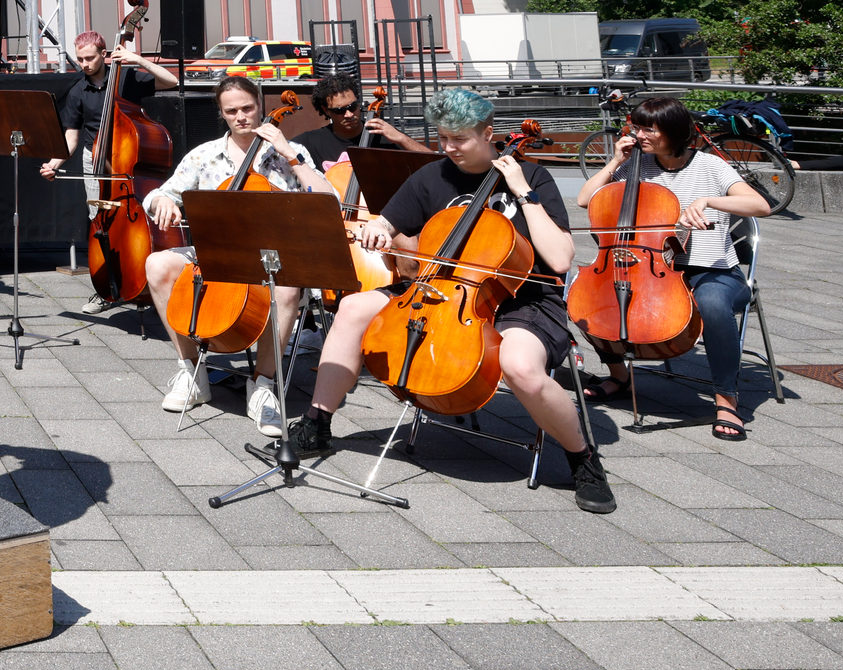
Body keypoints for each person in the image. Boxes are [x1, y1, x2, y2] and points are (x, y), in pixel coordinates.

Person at [287, 87, 615, 514]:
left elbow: (560, 259)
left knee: (520, 367)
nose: (448, 148)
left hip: (522, 299)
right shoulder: (433, 176)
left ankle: (582, 458)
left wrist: (522, 192)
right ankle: (317, 422)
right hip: (444, 289)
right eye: (442, 137)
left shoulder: (532, 177)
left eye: (459, 138)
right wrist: (379, 231)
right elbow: (389, 221)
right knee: (352, 308)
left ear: (487, 134)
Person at [137, 74, 334, 434]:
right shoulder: (204, 155)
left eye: (247, 108)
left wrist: (289, 155)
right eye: (232, 111)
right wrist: (162, 201)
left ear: (260, 105)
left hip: (274, 258)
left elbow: (329, 200)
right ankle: (190, 371)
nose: (241, 116)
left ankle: (263, 384)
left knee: (287, 288)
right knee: (157, 263)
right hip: (215, 255)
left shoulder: (291, 152)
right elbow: (158, 194)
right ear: (222, 113)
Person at [575, 94, 773, 442]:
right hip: (650, 268)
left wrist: (708, 201)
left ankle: (727, 399)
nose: (640, 136)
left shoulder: (709, 166)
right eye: (637, 128)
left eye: (649, 130)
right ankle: (620, 375)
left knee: (712, 304)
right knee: (591, 299)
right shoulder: (636, 164)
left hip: (712, 270)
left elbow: (760, 205)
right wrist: (614, 161)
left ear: (675, 131)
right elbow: (584, 200)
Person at [43, 29, 181, 207]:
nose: (84, 64)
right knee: (97, 213)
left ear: (103, 54)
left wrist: (138, 60)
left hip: (127, 156)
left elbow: (171, 81)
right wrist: (53, 164)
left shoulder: (127, 78)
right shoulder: (77, 91)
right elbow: (71, 138)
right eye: (80, 59)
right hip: (94, 158)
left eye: (90, 58)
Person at [294, 76, 428, 170]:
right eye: (339, 110)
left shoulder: (382, 135)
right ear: (326, 110)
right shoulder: (311, 141)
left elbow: (433, 163)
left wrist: (402, 139)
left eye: (352, 107)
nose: (349, 114)